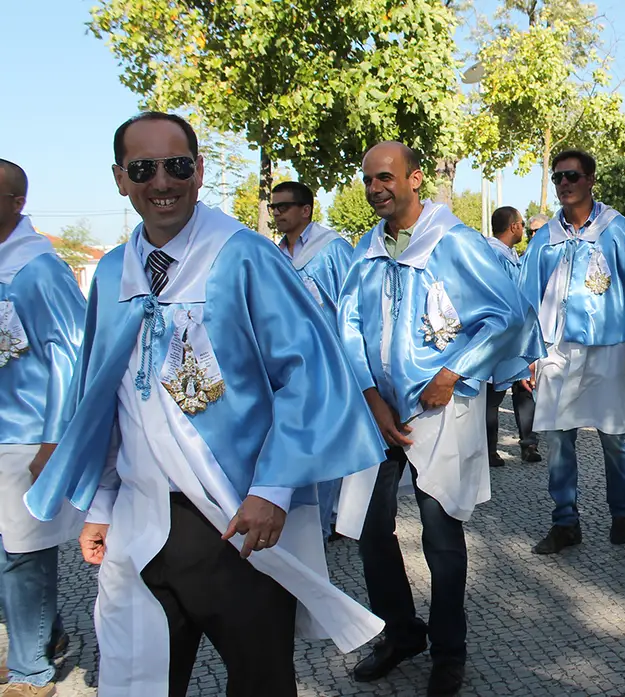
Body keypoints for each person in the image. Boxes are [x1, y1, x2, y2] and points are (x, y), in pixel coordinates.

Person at [24, 112, 388, 697]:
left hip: (234, 520)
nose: (161, 181)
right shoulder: (115, 271)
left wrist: (273, 489)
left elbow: (308, 374)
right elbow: (105, 396)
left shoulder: (243, 257)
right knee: (138, 679)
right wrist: (101, 499)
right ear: (121, 178)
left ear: (199, 172)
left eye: (177, 165)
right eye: (143, 168)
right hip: (141, 521)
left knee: (259, 680)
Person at [338, 142, 542, 695]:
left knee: (439, 532)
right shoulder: (366, 248)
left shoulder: (455, 243)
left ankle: (450, 650)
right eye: (368, 180)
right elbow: (349, 324)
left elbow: (510, 314)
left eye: (385, 177)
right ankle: (401, 631)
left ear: (415, 179)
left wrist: (454, 371)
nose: (376, 188)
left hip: (439, 406)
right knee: (372, 528)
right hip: (379, 411)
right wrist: (370, 396)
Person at [517, 149, 625, 555]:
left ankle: (622, 512)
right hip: (557, 348)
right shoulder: (544, 238)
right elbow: (527, 297)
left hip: (610, 350)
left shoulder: (618, 231)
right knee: (559, 437)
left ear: (591, 179)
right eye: (558, 177)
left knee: (614, 436)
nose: (564, 183)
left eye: (572, 176)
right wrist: (528, 353)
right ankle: (565, 521)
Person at [0, 160, 83, 697]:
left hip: (27, 432)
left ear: (15, 203)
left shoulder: (38, 268)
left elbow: (72, 352)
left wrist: (55, 441)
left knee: (23, 554)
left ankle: (29, 670)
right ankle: (46, 633)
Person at [270, 180, 356, 541]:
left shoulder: (332, 249)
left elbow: (353, 306)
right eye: (274, 207)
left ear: (305, 210)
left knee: (328, 443)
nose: (277, 213)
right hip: (287, 365)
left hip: (328, 363)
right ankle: (300, 519)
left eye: (284, 206)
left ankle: (327, 521)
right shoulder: (274, 252)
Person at [483, 206, 540, 466]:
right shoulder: (495, 256)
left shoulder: (510, 255)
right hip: (502, 335)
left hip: (518, 334)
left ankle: (528, 443)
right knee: (494, 395)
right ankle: (489, 449)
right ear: (514, 227)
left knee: (523, 388)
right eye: (522, 224)